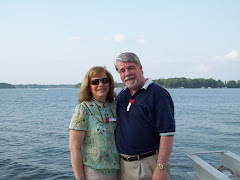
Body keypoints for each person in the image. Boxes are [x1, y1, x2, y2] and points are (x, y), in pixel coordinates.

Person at [114, 52, 175, 180]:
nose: (127, 74)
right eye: (122, 70)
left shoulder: (158, 95)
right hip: (123, 165)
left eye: (131, 68)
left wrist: (161, 167)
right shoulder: (122, 96)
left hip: (147, 165)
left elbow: (167, 134)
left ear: (140, 68)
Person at [69, 66, 120, 180]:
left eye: (104, 80)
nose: (100, 84)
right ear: (88, 86)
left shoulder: (115, 106)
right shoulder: (83, 109)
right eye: (95, 82)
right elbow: (74, 147)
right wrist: (80, 178)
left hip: (119, 171)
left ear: (109, 83)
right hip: (94, 173)